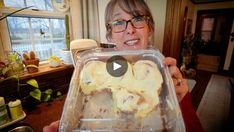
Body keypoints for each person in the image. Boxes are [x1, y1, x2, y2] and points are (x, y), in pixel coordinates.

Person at [43, 0, 203, 132]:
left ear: (150, 29)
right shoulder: (97, 75)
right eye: (119, 22)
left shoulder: (162, 74)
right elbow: (86, 116)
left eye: (138, 19)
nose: (130, 29)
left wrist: (181, 101)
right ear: (110, 34)